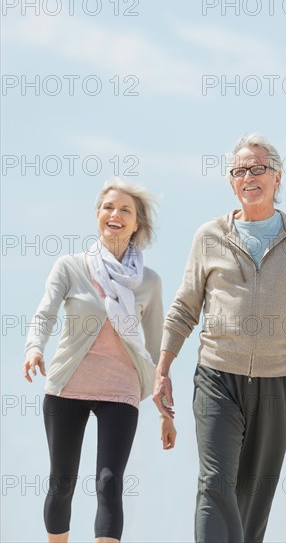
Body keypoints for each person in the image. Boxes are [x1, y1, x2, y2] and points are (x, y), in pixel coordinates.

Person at [153, 133, 286, 543]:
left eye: (258, 168)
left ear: (277, 178)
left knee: (253, 499)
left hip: (277, 384)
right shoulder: (209, 236)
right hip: (217, 377)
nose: (249, 177)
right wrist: (162, 369)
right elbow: (184, 308)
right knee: (215, 483)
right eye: (240, 170)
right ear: (231, 182)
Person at [23, 178, 176, 543]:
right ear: (97, 215)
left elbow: (155, 349)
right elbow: (44, 314)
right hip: (67, 386)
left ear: (137, 224)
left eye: (126, 210)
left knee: (109, 482)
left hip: (121, 389)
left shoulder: (150, 283)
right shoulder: (70, 267)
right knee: (61, 482)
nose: (115, 214)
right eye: (109, 207)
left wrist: (166, 411)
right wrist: (34, 348)